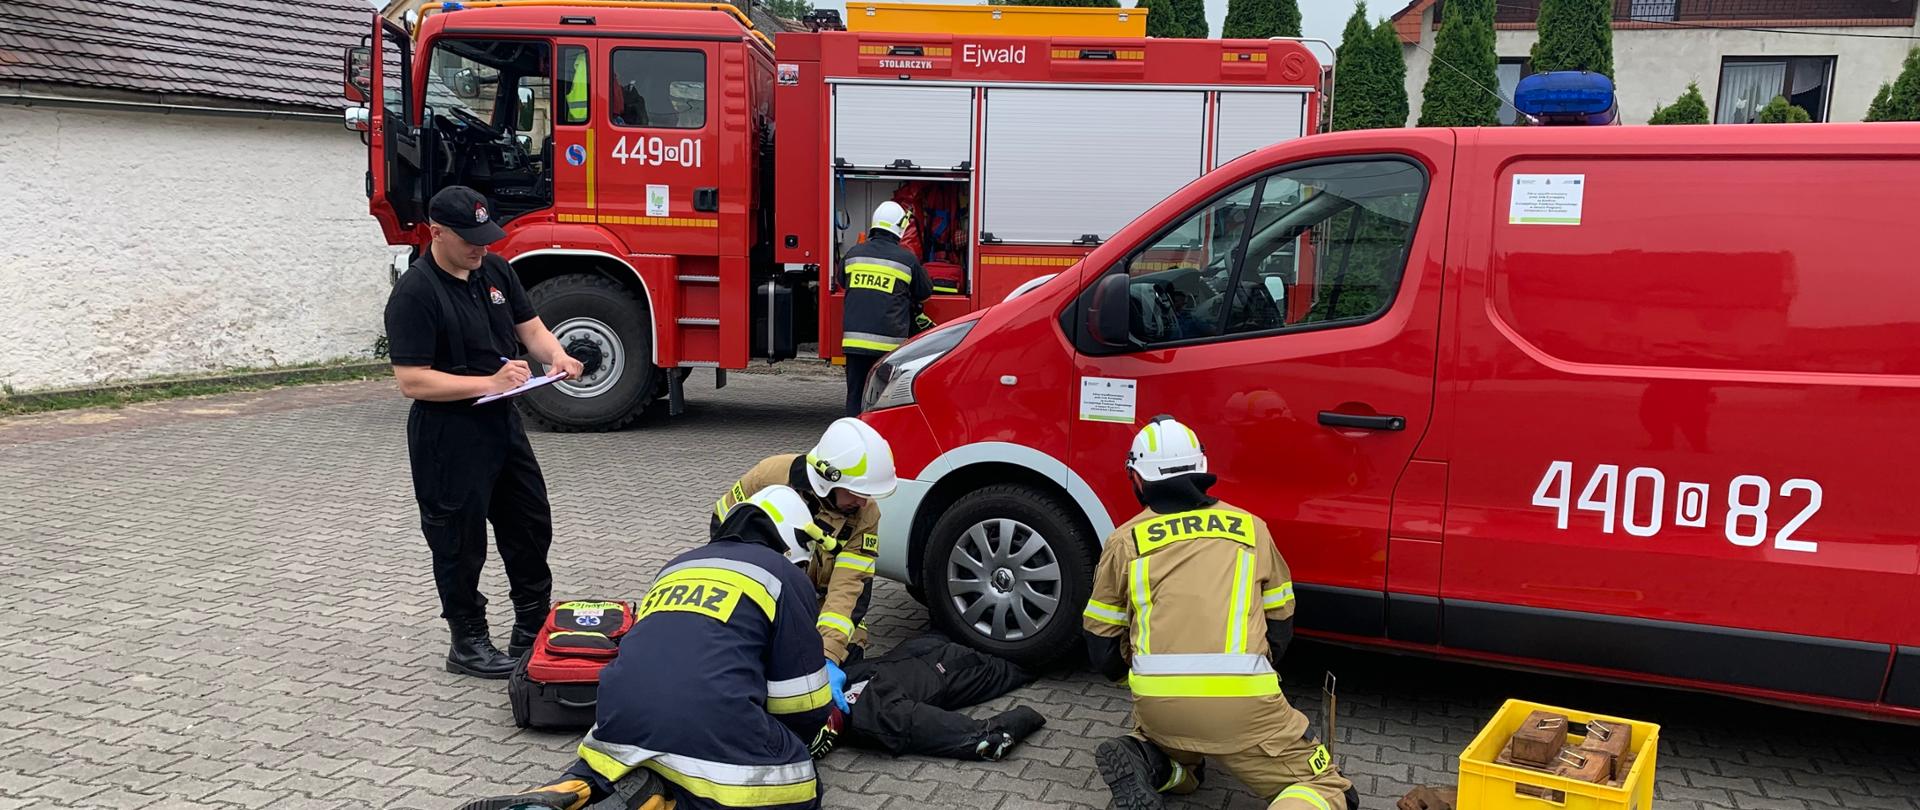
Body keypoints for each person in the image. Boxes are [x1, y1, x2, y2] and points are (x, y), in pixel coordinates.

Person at [458, 486, 840, 810]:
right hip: (708, 729)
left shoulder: (677, 566)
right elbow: (802, 706)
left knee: (626, 761)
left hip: (615, 725)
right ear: (793, 542)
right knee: (802, 786)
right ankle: (661, 800)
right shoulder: (785, 576)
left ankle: (575, 787)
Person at [1081, 415, 1358, 810]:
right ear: (1203, 470)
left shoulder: (1125, 540)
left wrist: (1134, 674)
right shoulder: (1253, 529)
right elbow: (1281, 622)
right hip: (1245, 707)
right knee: (1334, 792)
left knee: (1187, 762)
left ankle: (1155, 760)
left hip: (1159, 707)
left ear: (1137, 480)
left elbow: (1101, 646)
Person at [384, 185, 584, 679]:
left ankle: (530, 626)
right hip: (448, 434)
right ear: (437, 233)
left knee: (530, 523)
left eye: (487, 236)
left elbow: (530, 328)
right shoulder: (415, 293)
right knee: (458, 539)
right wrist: (487, 382)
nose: (482, 247)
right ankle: (468, 640)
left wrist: (555, 355)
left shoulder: (493, 269)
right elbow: (412, 380)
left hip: (502, 423)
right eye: (470, 238)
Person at [710, 417, 893, 668]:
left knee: (846, 657)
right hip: (759, 591)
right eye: (856, 493)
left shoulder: (866, 515)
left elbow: (849, 587)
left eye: (868, 494)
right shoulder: (769, 475)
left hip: (823, 606)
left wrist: (828, 655)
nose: (864, 502)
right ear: (828, 479)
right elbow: (723, 527)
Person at [831, 634, 1048, 762]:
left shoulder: (828, 675)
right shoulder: (871, 717)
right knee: (1037, 657)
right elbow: (984, 738)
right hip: (955, 667)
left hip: (925, 643)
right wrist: (1027, 716)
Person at [837, 201, 932, 416]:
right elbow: (925, 291)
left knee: (855, 396)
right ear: (899, 228)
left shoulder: (853, 254)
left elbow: (841, 280)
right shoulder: (907, 259)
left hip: (855, 344)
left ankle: (852, 437)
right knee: (884, 401)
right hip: (889, 347)